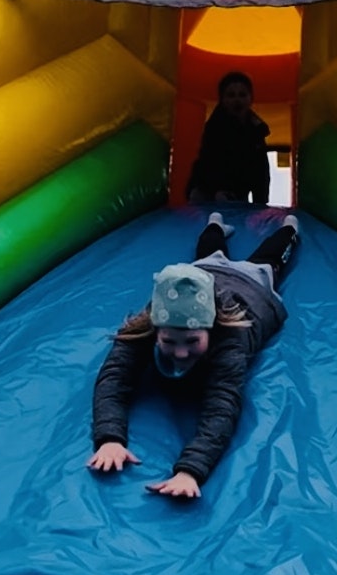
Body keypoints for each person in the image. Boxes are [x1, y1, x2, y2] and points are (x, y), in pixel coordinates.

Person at [87, 211, 301, 498]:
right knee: (209, 252)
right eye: (168, 341)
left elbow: (222, 407)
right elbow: (114, 377)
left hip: (251, 285)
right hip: (203, 273)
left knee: (268, 260)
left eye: (192, 340)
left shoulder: (230, 342)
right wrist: (110, 438)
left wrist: (190, 470)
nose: (180, 352)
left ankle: (288, 230)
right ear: (156, 330)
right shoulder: (147, 323)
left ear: (210, 330)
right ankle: (216, 224)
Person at [187, 71, 271, 205]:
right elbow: (210, 163)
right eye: (231, 95)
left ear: (250, 99)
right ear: (223, 100)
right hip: (208, 192)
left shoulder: (256, 130)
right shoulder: (215, 128)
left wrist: (260, 203)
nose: (237, 100)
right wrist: (216, 191)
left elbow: (261, 169)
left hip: (236, 194)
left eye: (242, 95)